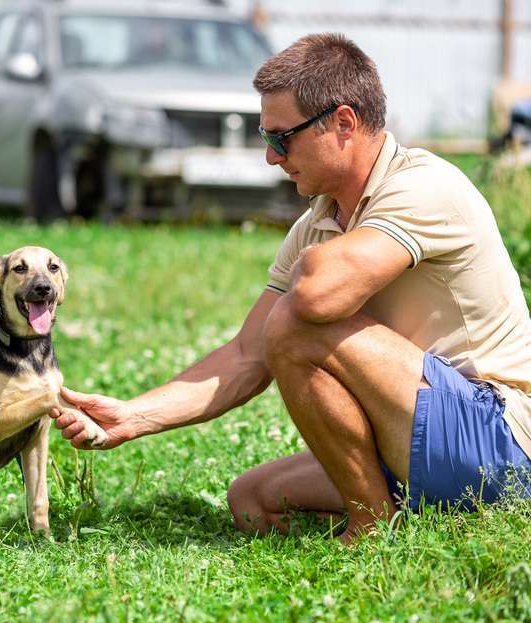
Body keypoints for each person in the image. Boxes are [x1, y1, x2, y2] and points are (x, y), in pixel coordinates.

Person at [50, 33, 531, 542]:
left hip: (498, 440)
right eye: (265, 137)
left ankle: (372, 527)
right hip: (415, 434)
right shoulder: (316, 224)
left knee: (298, 321)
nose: (270, 157)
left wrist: (302, 279)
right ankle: (420, 515)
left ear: (344, 123)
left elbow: (314, 300)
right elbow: (246, 355)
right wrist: (133, 416)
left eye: (282, 138)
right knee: (254, 500)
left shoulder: (425, 186)